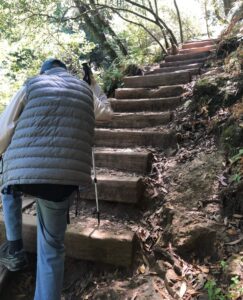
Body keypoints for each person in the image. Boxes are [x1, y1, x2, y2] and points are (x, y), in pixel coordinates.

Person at [0, 59, 113, 300]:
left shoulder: (32, 85)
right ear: (66, 71)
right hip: (64, 179)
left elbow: (4, 130)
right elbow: (106, 113)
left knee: (7, 184)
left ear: (44, 71)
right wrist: (93, 84)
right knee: (52, 248)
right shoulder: (84, 90)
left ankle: (15, 246)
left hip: (24, 174)